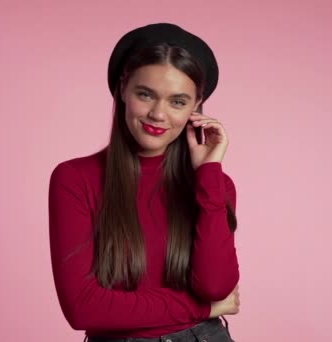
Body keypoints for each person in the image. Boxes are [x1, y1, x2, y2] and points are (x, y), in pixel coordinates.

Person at [48, 23, 240, 341]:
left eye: (177, 101)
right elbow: (83, 308)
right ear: (123, 89)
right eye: (145, 94)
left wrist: (208, 174)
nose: (158, 114)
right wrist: (203, 308)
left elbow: (215, 286)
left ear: (196, 107)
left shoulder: (215, 186)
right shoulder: (75, 179)